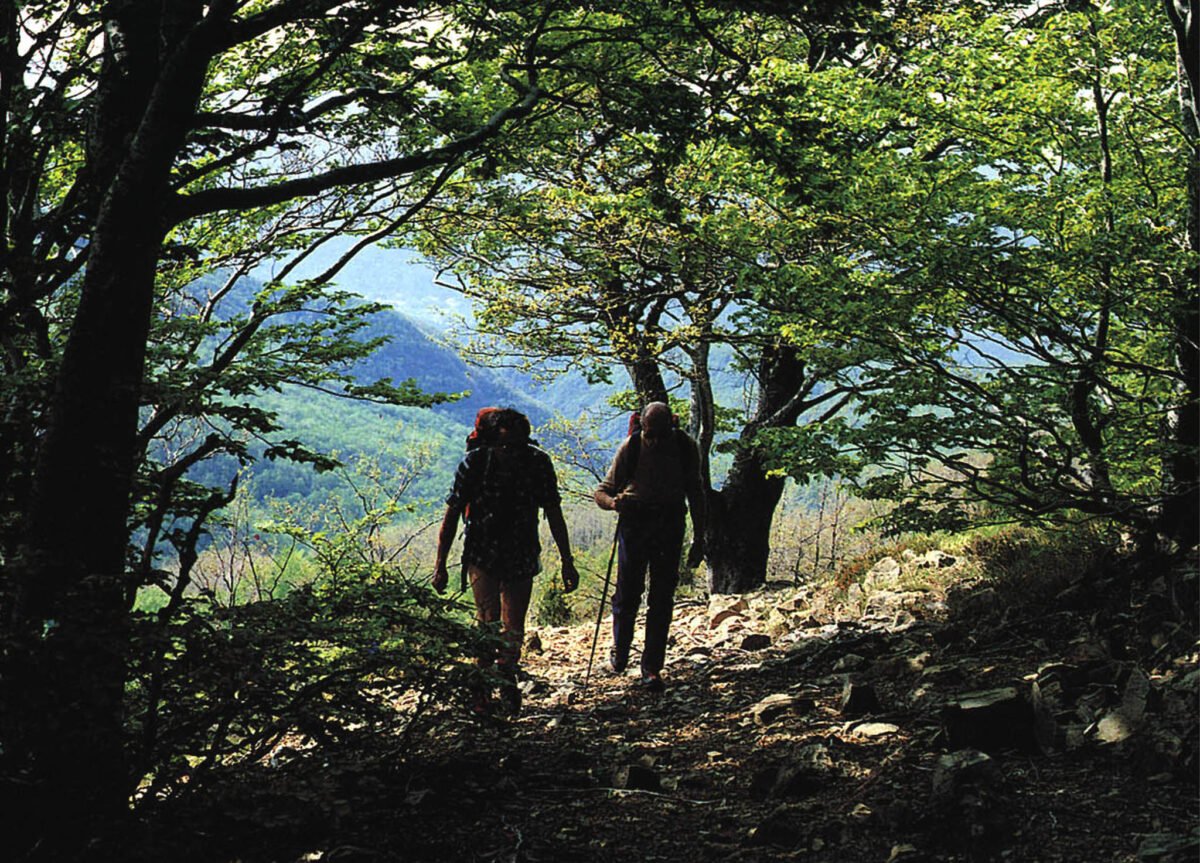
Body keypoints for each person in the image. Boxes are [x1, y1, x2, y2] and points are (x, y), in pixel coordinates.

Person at [434, 407, 579, 714]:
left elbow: (554, 512)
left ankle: (506, 680)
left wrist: (568, 560)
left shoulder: (537, 462)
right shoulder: (475, 463)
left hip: (521, 550)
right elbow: (452, 515)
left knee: (514, 624)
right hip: (482, 552)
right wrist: (440, 565)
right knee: (488, 620)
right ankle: (482, 691)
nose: (514, 450)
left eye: (520, 443)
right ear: (492, 440)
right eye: (507, 444)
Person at [594, 401, 706, 692]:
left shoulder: (685, 447)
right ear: (642, 426)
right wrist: (614, 503)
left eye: (660, 434)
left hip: (669, 524)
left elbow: (696, 491)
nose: (654, 440)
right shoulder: (630, 447)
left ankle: (651, 668)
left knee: (662, 597)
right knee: (627, 593)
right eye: (649, 434)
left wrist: (700, 537)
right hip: (634, 523)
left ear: (672, 426)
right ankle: (620, 652)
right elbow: (602, 492)